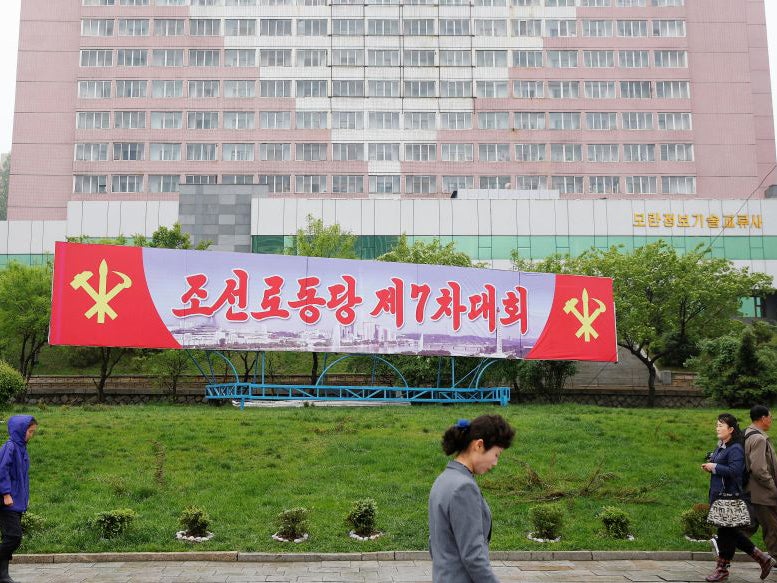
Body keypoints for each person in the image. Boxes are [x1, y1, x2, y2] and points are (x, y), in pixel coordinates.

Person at [428, 414, 515, 583]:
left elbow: (434, 543)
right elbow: (473, 556)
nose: (495, 463)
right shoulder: (464, 487)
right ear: (479, 445)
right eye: (496, 454)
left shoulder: (443, 479)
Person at [703, 412, 774, 582]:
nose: (717, 428)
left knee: (726, 532)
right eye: (717, 424)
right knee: (730, 532)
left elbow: (735, 472)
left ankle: (722, 569)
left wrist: (714, 466)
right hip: (719, 495)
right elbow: (721, 465)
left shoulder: (735, 448)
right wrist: (712, 463)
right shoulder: (721, 445)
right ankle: (763, 559)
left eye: (721, 425)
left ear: (731, 429)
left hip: (729, 497)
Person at [0, 415, 37, 583]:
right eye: (30, 431)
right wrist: (6, 494)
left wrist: (25, 498)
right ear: (20, 430)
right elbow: (2, 471)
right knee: (14, 537)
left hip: (17, 501)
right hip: (7, 501)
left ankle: (3, 576)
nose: (31, 435)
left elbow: (23, 478)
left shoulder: (22, 449)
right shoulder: (10, 447)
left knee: (10, 537)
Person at [745, 405, 777, 558]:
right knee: (773, 527)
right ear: (763, 418)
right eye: (770, 417)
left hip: (750, 490)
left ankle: (723, 545)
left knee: (749, 526)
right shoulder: (759, 438)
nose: (771, 420)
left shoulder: (746, 433)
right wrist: (772, 487)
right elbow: (758, 469)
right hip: (762, 492)